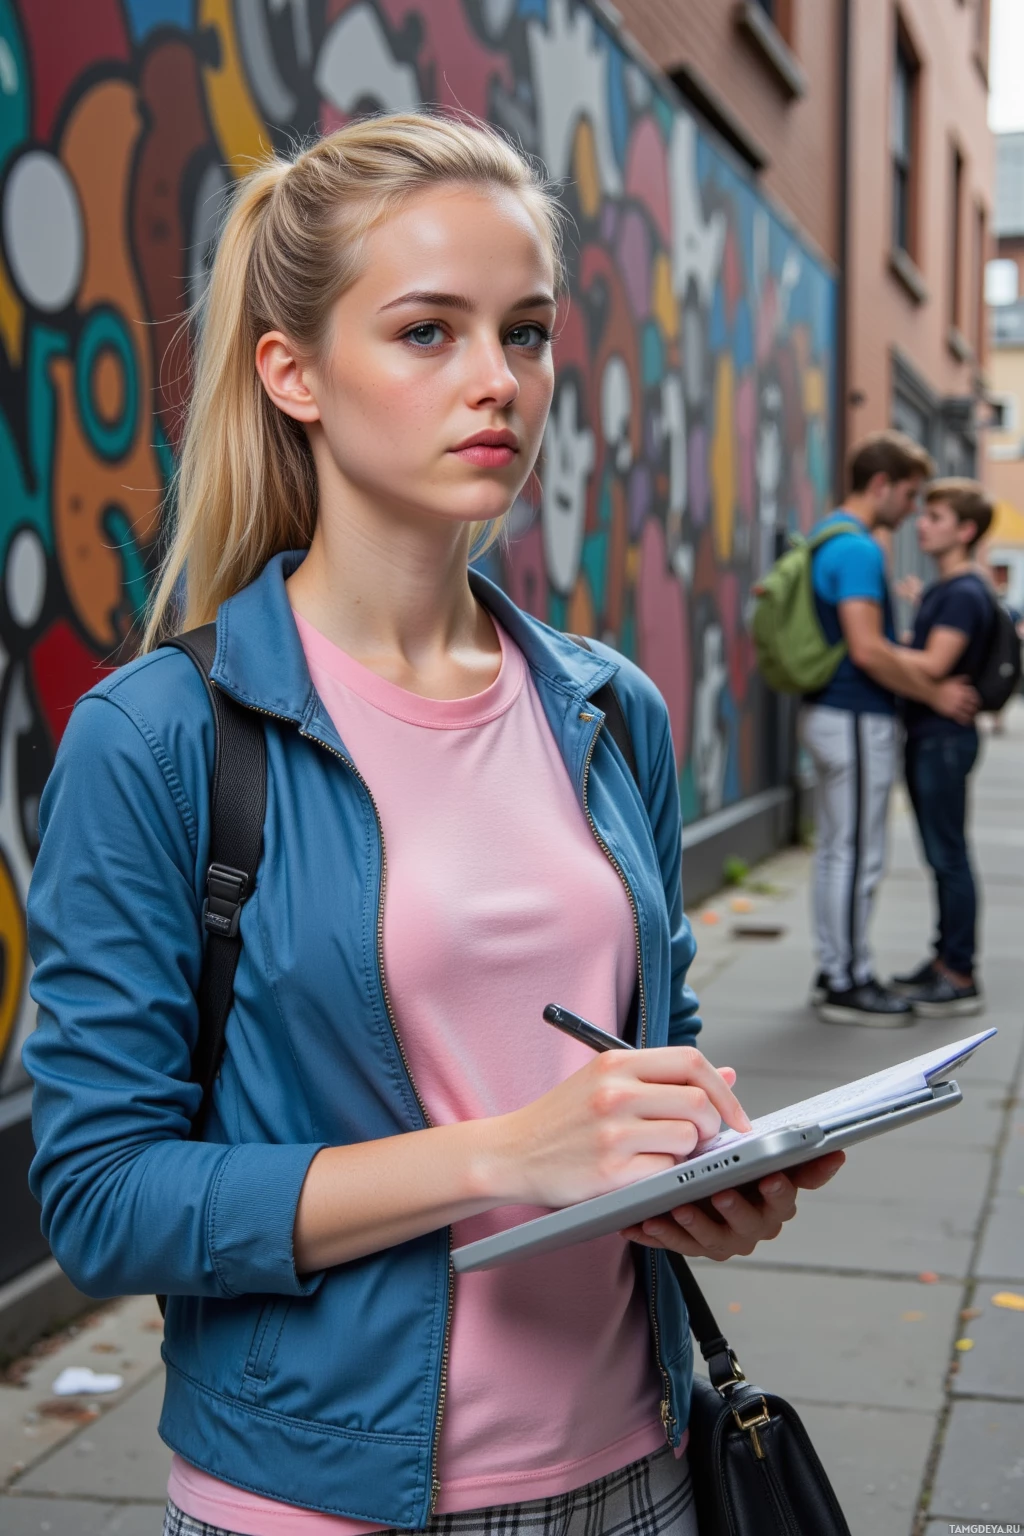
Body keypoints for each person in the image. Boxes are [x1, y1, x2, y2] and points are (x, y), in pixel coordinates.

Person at [23, 114, 844, 1536]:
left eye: (524, 332)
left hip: (645, 1470)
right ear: (294, 373)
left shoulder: (608, 707)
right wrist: (503, 1156)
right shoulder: (160, 739)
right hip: (322, 1504)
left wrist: (704, 1167)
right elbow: (103, 1197)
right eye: (425, 332)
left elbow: (649, 1051)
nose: (497, 383)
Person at [800, 431, 977, 1027]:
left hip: (833, 713)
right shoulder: (858, 549)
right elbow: (868, 651)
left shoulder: (831, 536)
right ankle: (847, 980)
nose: (911, 509)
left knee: (837, 851)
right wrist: (935, 692)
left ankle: (837, 968)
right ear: (882, 485)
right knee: (857, 854)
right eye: (909, 494)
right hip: (853, 713)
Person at [890, 480, 994, 1017]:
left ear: (966, 530)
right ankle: (944, 959)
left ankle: (958, 972)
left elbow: (932, 665)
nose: (922, 523)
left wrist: (871, 645)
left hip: (942, 742)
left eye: (935, 516)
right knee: (942, 854)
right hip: (935, 738)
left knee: (948, 855)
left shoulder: (961, 593)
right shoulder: (950, 590)